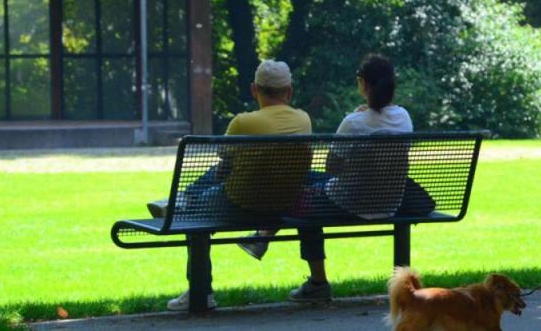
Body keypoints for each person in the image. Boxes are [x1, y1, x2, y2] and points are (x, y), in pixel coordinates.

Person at [244, 54, 413, 304]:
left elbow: (331, 167)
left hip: (350, 201)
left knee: (302, 196)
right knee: (306, 181)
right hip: (389, 201)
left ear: (363, 84)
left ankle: (316, 281)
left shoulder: (353, 122)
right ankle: (264, 235)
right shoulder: (403, 117)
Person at [164, 59, 312, 311]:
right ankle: (186, 197)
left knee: (193, 211)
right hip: (283, 202)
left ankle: (201, 290)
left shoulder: (244, 122)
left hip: (240, 203)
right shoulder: (303, 120)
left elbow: (223, 154)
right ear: (289, 91)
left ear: (255, 89)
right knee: (229, 169)